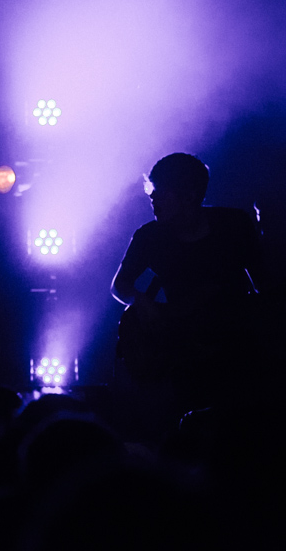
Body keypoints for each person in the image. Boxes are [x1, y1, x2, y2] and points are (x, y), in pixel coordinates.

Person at [111, 152, 266, 423]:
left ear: (189, 195)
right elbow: (119, 286)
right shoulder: (149, 236)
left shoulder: (233, 226)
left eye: (161, 193)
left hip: (234, 350)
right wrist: (141, 301)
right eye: (152, 193)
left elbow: (264, 283)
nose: (153, 199)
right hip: (181, 356)